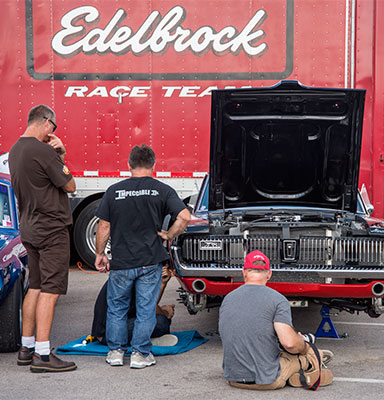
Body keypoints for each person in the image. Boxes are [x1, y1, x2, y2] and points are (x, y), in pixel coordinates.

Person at [95, 144, 190, 368]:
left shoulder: (114, 191)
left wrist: (100, 253)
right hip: (150, 261)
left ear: (129, 165)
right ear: (153, 165)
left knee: (117, 308)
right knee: (146, 308)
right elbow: (184, 216)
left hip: (122, 262)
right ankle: (140, 354)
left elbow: (104, 225)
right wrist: (169, 234)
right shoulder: (162, 190)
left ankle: (116, 353)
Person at [8, 105, 77, 373]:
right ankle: (44, 354)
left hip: (30, 227)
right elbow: (70, 185)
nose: (53, 133)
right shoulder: (45, 151)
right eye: (54, 128)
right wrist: (60, 153)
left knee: (35, 286)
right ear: (46, 122)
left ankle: (26, 348)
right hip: (52, 228)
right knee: (51, 290)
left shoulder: (15, 150)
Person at [219, 250, 334, 390]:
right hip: (267, 380)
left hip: (233, 378)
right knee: (301, 353)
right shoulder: (277, 300)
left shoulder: (228, 299)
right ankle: (310, 363)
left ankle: (296, 372)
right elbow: (289, 343)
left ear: (244, 272)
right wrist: (304, 345)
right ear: (269, 274)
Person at [91, 264, 176, 345]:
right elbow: (149, 309)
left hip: (110, 328)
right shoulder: (139, 277)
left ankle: (142, 340)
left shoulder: (131, 271)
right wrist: (166, 312)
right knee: (162, 322)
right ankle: (143, 342)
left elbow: (150, 303)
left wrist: (162, 283)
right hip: (108, 334)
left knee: (159, 319)